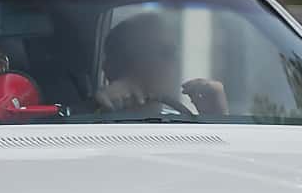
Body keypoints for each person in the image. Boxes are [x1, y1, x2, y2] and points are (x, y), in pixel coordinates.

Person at [95, 11, 227, 118]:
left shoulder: (184, 125)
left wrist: (217, 118)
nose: (176, 62)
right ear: (118, 65)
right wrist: (99, 109)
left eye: (175, 53)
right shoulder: (84, 122)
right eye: (167, 53)